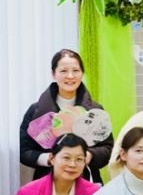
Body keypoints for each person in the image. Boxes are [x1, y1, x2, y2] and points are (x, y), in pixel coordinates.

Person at [20, 49, 113, 182]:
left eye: (75, 70)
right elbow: (24, 151)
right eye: (63, 71)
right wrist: (49, 159)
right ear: (53, 74)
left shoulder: (95, 110)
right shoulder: (36, 111)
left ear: (82, 73)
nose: (70, 76)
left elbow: (108, 148)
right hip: (48, 181)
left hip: (86, 180)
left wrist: (89, 156)